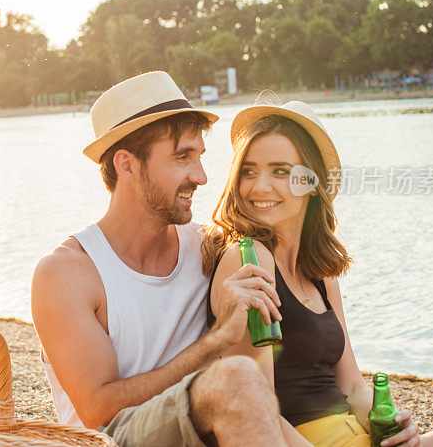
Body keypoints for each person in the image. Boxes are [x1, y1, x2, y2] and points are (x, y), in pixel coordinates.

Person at [202, 99, 433, 447]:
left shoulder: (320, 271)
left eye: (280, 171)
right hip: (305, 441)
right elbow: (256, 408)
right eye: (249, 170)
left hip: (358, 435)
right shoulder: (249, 258)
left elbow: (352, 386)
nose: (258, 187)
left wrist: (394, 424)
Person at [31, 71, 288, 447]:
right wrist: (215, 341)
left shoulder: (206, 247)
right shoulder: (68, 273)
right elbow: (98, 411)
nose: (200, 176)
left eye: (199, 157)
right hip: (113, 440)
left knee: (245, 378)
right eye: (182, 157)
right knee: (236, 378)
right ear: (127, 164)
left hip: (199, 427)